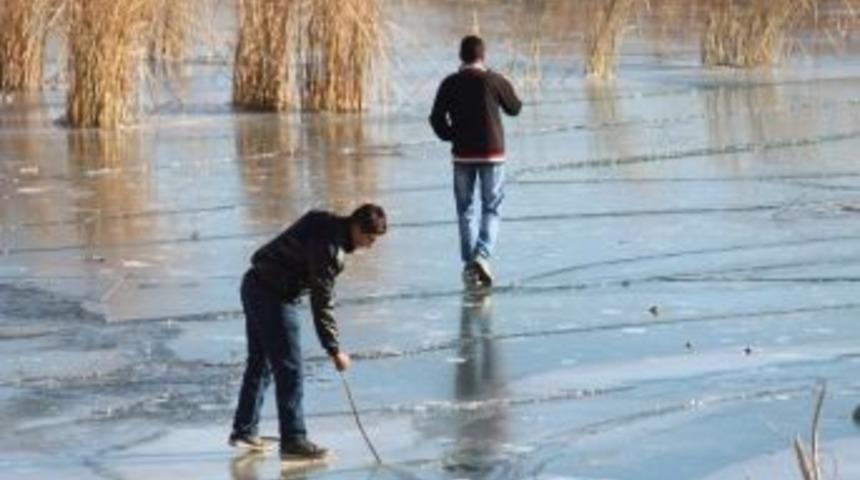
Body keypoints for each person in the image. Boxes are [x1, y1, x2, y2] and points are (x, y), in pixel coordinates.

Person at [228, 204, 387, 461]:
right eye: (370, 238)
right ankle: (293, 439)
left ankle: (244, 431)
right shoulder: (330, 249)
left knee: (260, 362)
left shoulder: (323, 219)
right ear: (357, 227)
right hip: (274, 295)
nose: (370, 245)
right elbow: (321, 300)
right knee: (289, 368)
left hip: (254, 283)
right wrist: (334, 349)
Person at [430, 35, 522, 287]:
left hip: (462, 154)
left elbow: (436, 118)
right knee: (491, 206)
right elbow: (515, 108)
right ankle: (482, 255)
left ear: (461, 56)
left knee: (465, 209)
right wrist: (506, 84)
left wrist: (452, 135)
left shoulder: (450, 83)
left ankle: (470, 263)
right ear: (483, 56)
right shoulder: (494, 80)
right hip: (493, 153)